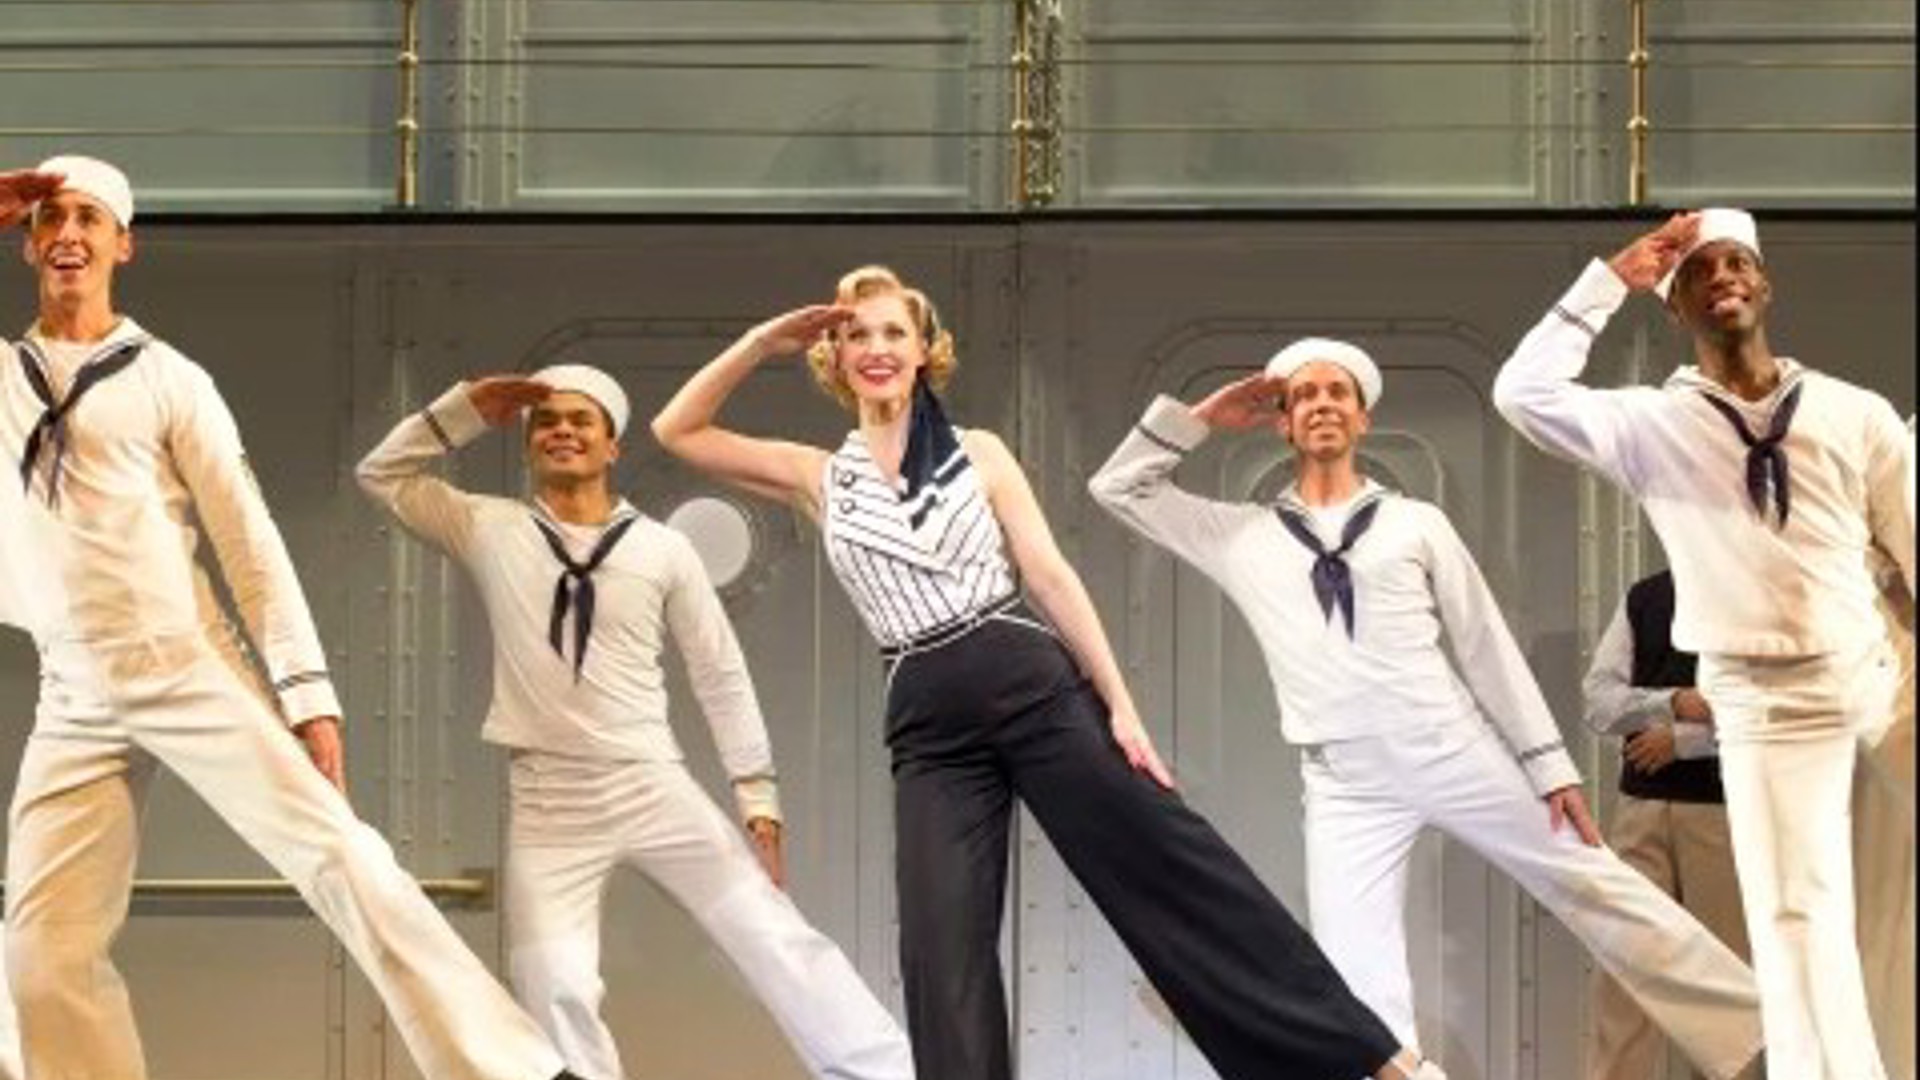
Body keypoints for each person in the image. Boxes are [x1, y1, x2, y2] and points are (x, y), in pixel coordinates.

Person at [651, 266, 1443, 1080]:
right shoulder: (818, 475)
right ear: (836, 356)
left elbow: (1051, 576)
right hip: (927, 725)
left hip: (1031, 684)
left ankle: (1379, 1061)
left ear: (925, 351)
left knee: (1175, 872)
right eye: (858, 335)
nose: (878, 348)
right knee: (938, 945)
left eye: (895, 332)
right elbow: (678, 430)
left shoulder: (978, 453)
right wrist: (760, 343)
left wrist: (1121, 708)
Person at [0, 159, 578, 1080]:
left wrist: (307, 693)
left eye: (89, 218)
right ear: (27, 243)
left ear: (123, 243)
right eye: (51, 220)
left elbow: (248, 539)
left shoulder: (167, 377)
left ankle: (516, 1070)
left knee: (345, 859)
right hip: (73, 690)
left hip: (186, 662)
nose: (68, 234)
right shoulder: (4, 375)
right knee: (38, 948)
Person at [1086, 338, 1762, 1079]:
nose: (1320, 405)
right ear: (1281, 422)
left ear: (1362, 418)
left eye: (1337, 393)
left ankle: (1765, 1032)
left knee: (1595, 881)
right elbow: (1120, 488)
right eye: (1303, 395)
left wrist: (1549, 769)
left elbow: (1485, 648)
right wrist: (1204, 416)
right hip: (1344, 783)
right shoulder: (1237, 535)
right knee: (1359, 979)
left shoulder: (1416, 523)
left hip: (1452, 748)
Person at [355, 362, 915, 1080]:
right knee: (552, 980)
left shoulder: (662, 548)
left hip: (651, 782)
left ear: (612, 445)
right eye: (545, 422)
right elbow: (382, 476)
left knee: (774, 937)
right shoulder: (485, 525)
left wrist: (758, 796)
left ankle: (890, 1073)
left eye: (579, 420)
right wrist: (460, 410)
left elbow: (720, 672)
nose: (561, 430)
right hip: (547, 797)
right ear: (528, 444)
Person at [1494, 208, 1914, 1080]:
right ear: (1675, 302)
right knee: (1798, 917)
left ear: (1764, 283)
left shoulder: (1852, 410)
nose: (1722, 275)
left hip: (1874, 671)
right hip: (1761, 702)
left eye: (1737, 263)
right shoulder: (1653, 424)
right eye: (1700, 270)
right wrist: (1613, 279)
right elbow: (1523, 396)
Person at [1581, 569, 1753, 1080]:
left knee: (1721, 980)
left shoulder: (1754, 590)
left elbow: (1767, 705)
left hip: (1720, 810)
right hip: (1640, 808)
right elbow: (1598, 700)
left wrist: (1682, 740)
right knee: (1625, 973)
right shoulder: (1648, 595)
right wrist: (1675, 703)